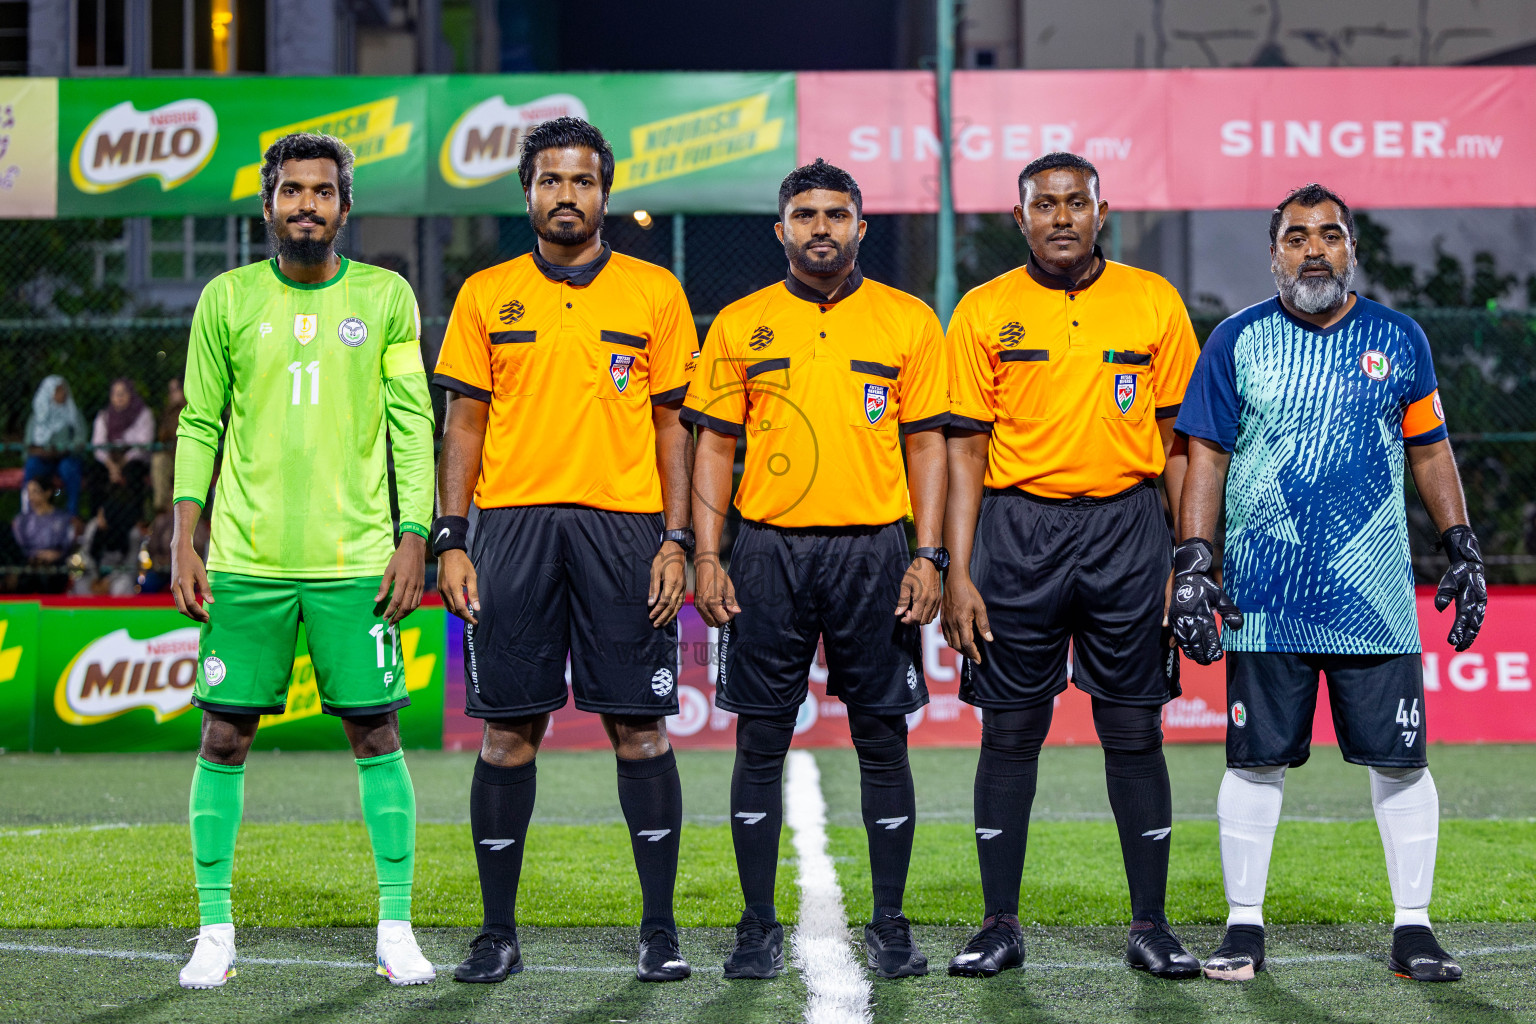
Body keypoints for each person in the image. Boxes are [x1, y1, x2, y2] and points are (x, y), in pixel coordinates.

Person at [1173, 183, 1485, 984]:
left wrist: (1461, 544)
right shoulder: (1236, 340)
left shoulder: (1399, 336)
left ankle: (1413, 929)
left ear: (1353, 249)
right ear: (1273, 253)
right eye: (1297, 237)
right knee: (1253, 763)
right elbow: (1205, 454)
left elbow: (1430, 448)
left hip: (1371, 597)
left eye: (1331, 235)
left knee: (1403, 763)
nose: (1315, 249)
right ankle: (1244, 928)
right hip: (1264, 596)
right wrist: (1195, 564)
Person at [432, 117, 696, 984]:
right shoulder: (484, 295)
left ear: (605, 194)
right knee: (508, 734)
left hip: (625, 531)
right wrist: (454, 537)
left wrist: (676, 537)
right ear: (529, 191)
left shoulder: (655, 293)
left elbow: (673, 428)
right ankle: (496, 933)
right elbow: (461, 426)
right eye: (550, 180)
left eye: (582, 181)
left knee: (641, 732)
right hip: (510, 529)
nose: (566, 195)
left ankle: (660, 930)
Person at [170, 132, 437, 989]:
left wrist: (413, 536)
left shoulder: (387, 297)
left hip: (356, 559)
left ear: (345, 208)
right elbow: (199, 422)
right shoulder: (227, 298)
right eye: (292, 191)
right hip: (246, 560)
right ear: (268, 204)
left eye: (323, 192)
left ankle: (395, 923)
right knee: (223, 733)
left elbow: (411, 424)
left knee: (376, 732)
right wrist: (185, 534)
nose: (307, 206)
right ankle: (215, 929)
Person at [686, 159, 950, 981]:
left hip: (875, 551)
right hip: (766, 550)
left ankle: (893, 924)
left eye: (837, 213)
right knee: (760, 740)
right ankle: (756, 925)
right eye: (805, 215)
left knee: (882, 740)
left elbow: (927, 445)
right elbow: (714, 446)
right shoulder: (739, 323)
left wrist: (929, 553)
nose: (822, 227)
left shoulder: (908, 322)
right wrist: (707, 553)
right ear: (781, 230)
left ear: (862, 227)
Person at [942, 152, 1201, 979]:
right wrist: (956, 568)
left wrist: (1184, 557)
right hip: (1017, 535)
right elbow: (966, 453)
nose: (1061, 217)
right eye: (1044, 205)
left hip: (1129, 533)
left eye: (1076, 203)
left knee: (1134, 730)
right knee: (1010, 732)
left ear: (1102, 212)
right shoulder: (982, 312)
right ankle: (998, 925)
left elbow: (1181, 448)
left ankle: (1151, 926)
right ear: (1019, 218)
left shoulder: (1153, 300)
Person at [22, 375, 87, 517]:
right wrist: (41, 452)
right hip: (42, 459)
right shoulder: (36, 417)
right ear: (48, 392)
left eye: (64, 390)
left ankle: (71, 515)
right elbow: (28, 445)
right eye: (58, 391)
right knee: (32, 465)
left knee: (69, 468)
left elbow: (80, 440)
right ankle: (28, 513)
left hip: (65, 457)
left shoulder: (74, 413)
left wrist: (62, 450)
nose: (63, 394)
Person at [12, 478, 75, 593]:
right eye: (29, 492)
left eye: (35, 491)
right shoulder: (22, 520)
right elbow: (19, 546)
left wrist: (56, 555)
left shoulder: (62, 518)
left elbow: (68, 544)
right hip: (30, 563)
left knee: (51, 578)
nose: (31, 497)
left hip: (57, 564)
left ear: (48, 493)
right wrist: (36, 556)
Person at [151, 377, 186, 512]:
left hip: (189, 456)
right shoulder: (169, 411)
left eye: (175, 390)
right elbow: (162, 436)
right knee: (159, 460)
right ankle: (161, 507)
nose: (172, 394)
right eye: (170, 391)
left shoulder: (192, 407)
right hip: (172, 456)